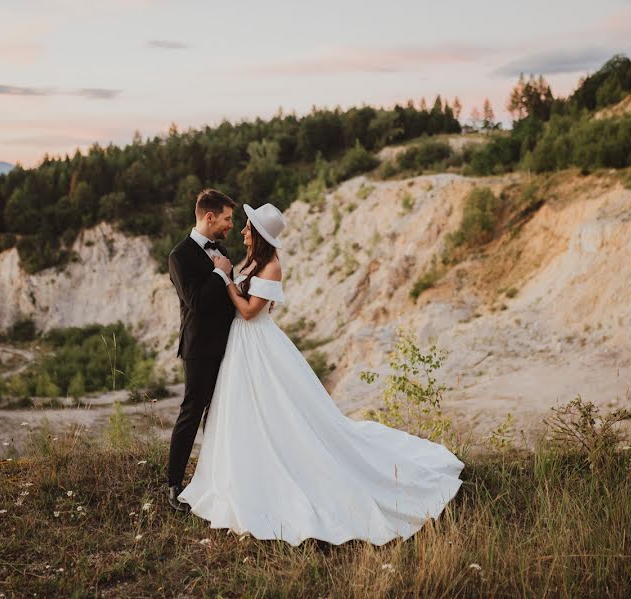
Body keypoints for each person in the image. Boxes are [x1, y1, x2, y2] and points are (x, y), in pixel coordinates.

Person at [177, 201, 465, 545]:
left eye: (248, 226)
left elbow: (250, 312)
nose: (241, 230)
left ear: (259, 234)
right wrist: (228, 276)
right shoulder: (252, 261)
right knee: (243, 410)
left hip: (256, 340)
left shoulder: (270, 266)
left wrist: (224, 278)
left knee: (278, 411)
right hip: (241, 345)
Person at [165, 188, 237, 512]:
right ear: (209, 217)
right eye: (227, 219)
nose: (230, 226)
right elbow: (196, 303)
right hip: (199, 349)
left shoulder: (220, 250)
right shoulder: (179, 256)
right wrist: (221, 272)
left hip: (229, 347)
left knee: (220, 413)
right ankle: (173, 484)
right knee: (191, 413)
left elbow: (226, 299)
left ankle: (213, 477)